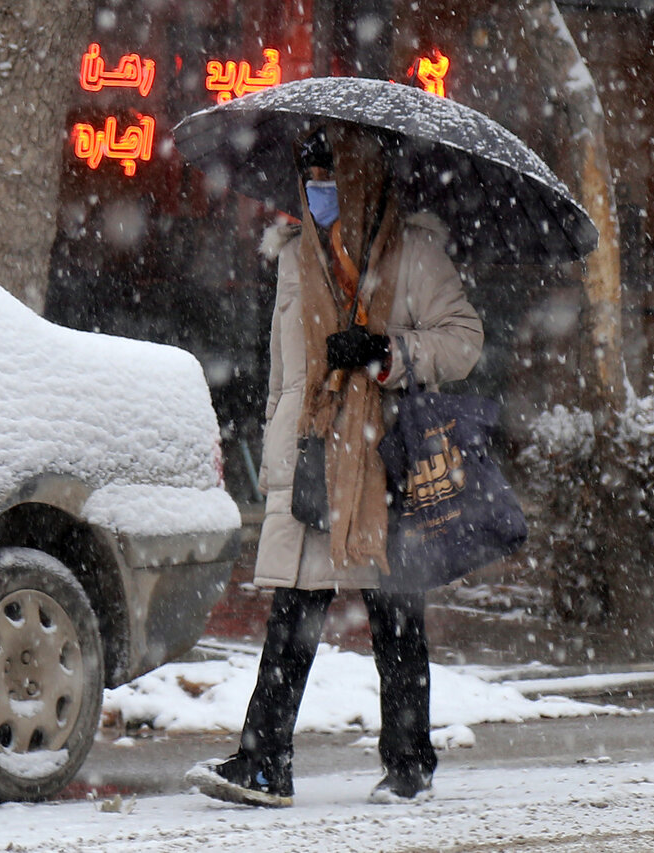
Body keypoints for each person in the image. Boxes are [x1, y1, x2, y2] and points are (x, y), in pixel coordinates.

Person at [186, 122, 484, 806]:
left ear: (361, 176)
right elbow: (281, 376)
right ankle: (265, 763)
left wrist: (387, 351)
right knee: (294, 607)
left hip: (380, 458)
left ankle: (410, 763)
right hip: (314, 453)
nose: (318, 188)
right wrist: (275, 450)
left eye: (331, 174)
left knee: (394, 615)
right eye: (310, 174)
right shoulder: (295, 256)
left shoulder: (411, 253)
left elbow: (463, 339)